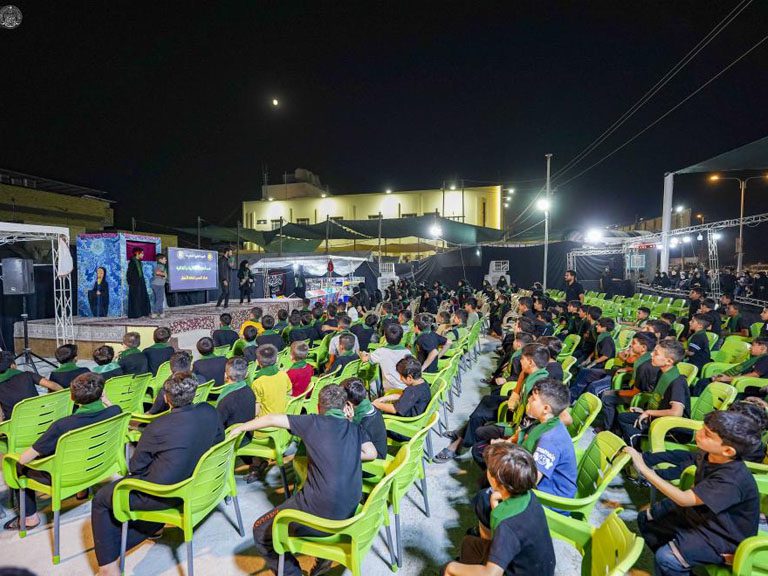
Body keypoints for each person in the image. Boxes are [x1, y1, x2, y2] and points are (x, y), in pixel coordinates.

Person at [230, 385, 377, 576]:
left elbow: (272, 419)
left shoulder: (312, 422)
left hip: (318, 514)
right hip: (351, 511)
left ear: (319, 407)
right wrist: (341, 453)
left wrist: (241, 427)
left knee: (261, 531)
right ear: (345, 407)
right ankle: (323, 557)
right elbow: (371, 453)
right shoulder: (355, 427)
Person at [91, 373, 224, 576]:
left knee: (101, 499)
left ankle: (108, 567)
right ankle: (154, 528)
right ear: (194, 392)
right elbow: (218, 441)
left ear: (166, 398)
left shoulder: (157, 427)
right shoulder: (209, 411)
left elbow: (135, 467)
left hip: (164, 495)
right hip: (198, 485)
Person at [625, 410, 760, 575]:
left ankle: (683, 559)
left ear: (728, 451)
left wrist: (644, 469)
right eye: (703, 428)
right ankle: (678, 564)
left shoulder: (731, 479)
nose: (699, 433)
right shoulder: (708, 454)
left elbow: (684, 499)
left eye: (707, 434)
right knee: (646, 519)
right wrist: (645, 459)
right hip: (702, 516)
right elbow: (684, 463)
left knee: (668, 557)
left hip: (724, 535)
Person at [3, 372, 122, 531]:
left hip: (66, 476)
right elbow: (113, 407)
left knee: (18, 465)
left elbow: (25, 459)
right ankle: (82, 491)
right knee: (80, 448)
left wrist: (14, 458)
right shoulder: (116, 412)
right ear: (102, 393)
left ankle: (30, 518)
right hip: (99, 465)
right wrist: (106, 400)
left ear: (72, 398)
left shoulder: (63, 425)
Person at [443, 443, 556, 576]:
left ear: (495, 481)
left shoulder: (507, 526)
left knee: (448, 567)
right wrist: (494, 501)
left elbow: (492, 573)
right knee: (469, 544)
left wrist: (451, 568)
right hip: (539, 567)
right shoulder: (529, 495)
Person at [471, 379, 577, 517]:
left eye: (533, 399)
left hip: (550, 498)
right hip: (534, 477)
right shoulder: (547, 423)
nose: (529, 400)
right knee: (487, 462)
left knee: (484, 499)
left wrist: (500, 492)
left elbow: (530, 480)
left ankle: (490, 523)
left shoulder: (550, 440)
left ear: (546, 408)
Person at [435, 343, 551, 463]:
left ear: (531, 362)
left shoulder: (538, 385)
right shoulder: (533, 373)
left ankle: (460, 442)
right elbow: (519, 387)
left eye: (522, 359)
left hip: (518, 419)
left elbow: (530, 419)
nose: (520, 361)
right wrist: (516, 391)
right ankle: (462, 434)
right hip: (515, 405)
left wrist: (512, 439)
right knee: (487, 400)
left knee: (479, 417)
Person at [618, 338, 690, 449]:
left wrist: (648, 412)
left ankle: (636, 454)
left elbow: (676, 412)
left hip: (673, 429)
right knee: (623, 417)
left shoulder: (677, 382)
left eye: (656, 353)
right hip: (658, 419)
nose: (651, 354)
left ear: (669, 361)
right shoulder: (662, 373)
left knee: (631, 432)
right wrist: (644, 410)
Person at [597, 331, 659, 432]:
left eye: (634, 343)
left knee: (607, 396)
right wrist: (628, 369)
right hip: (637, 389)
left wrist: (617, 392)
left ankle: (607, 428)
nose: (631, 345)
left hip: (642, 397)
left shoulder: (644, 366)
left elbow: (635, 392)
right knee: (608, 393)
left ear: (643, 348)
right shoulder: (645, 358)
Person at [0, 351, 61, 421]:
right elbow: (53, 385)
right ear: (13, 366)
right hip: (39, 418)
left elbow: (0, 415)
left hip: (17, 424)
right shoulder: (28, 374)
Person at [702, 337, 768, 397]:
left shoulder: (765, 358)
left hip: (746, 386)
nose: (750, 347)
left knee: (703, 383)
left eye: (753, 345)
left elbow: (754, 375)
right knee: (704, 382)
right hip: (737, 380)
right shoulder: (756, 357)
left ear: (762, 347)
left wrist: (728, 379)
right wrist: (723, 376)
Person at [359, 322, 412, 393]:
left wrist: (362, 354)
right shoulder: (407, 352)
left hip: (389, 390)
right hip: (406, 388)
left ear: (385, 338)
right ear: (402, 338)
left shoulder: (381, 351)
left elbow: (365, 359)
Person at [342, 376, 387, 459]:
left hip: (376, 458)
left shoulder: (363, 421)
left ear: (348, 404)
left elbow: (350, 441)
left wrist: (349, 422)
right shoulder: (368, 405)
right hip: (377, 449)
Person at [215, 357, 256, 443]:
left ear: (225, 375)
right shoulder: (250, 391)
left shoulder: (226, 399)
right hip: (247, 435)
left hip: (232, 439)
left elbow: (217, 424)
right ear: (246, 374)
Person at [126, 247, 150, 319]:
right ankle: (136, 314)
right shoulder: (132, 262)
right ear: (137, 253)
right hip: (135, 283)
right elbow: (129, 273)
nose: (143, 255)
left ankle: (143, 312)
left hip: (141, 282)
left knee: (142, 296)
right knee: (136, 298)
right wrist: (131, 282)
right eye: (141, 253)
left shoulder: (139, 262)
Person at [150, 253, 168, 319]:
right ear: (160, 260)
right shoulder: (160, 266)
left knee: (159, 299)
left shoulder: (159, 265)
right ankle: (155, 312)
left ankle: (161, 312)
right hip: (158, 284)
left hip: (157, 284)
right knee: (160, 299)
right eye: (164, 259)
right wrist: (164, 275)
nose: (166, 260)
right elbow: (157, 272)